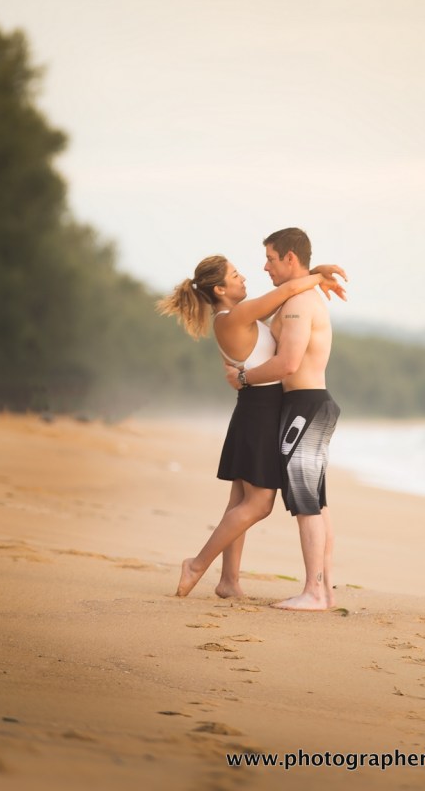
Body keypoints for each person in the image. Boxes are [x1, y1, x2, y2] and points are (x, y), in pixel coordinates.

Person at [156, 253, 346, 599]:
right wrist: (318, 274)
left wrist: (316, 275)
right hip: (259, 412)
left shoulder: (233, 318)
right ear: (220, 289)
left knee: (239, 502)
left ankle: (229, 581)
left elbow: (287, 296)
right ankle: (197, 564)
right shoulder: (234, 316)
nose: (244, 278)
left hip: (256, 409)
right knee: (258, 505)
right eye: (235, 275)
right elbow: (288, 289)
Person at [225, 227, 341, 612]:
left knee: (306, 501)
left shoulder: (298, 304)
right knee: (316, 501)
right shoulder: (299, 298)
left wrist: (242, 378)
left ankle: (314, 591)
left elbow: (287, 363)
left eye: (272, 258)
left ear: (290, 258)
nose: (265, 266)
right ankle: (323, 591)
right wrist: (318, 273)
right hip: (311, 405)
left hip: (305, 406)